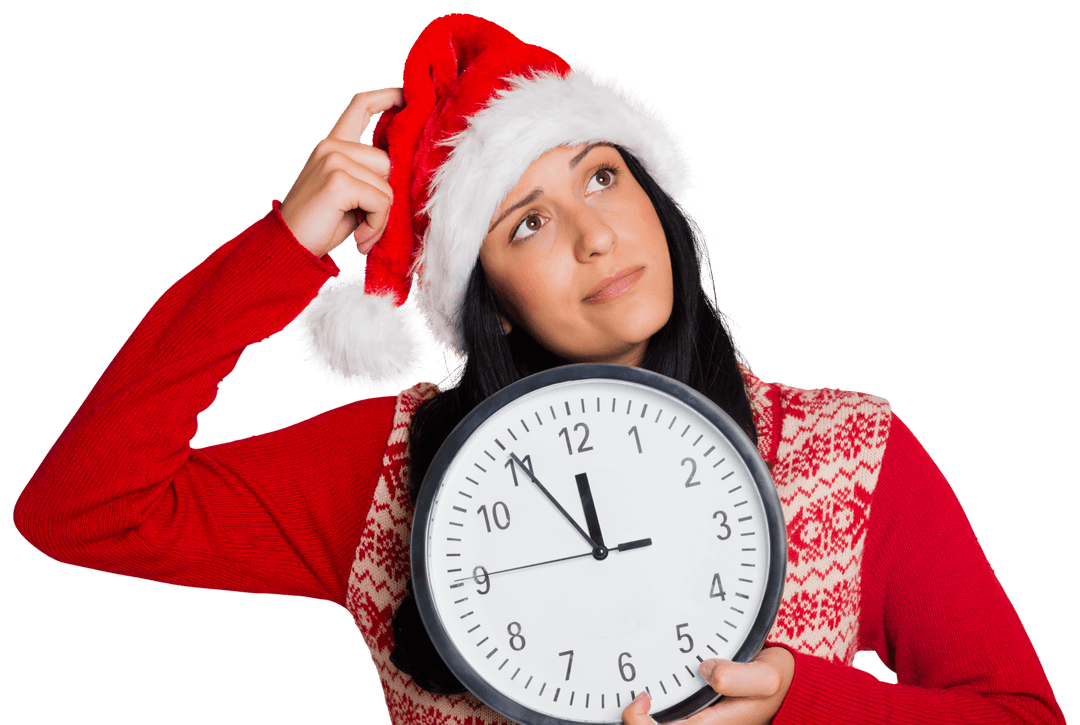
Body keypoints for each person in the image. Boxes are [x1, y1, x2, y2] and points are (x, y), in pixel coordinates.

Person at [12, 13, 1066, 725]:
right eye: (526, 222)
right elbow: (83, 508)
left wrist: (802, 697)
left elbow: (1021, 713)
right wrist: (284, 250)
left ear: (655, 191)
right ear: (486, 292)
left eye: (601, 175)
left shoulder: (850, 450)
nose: (595, 235)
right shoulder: (388, 472)